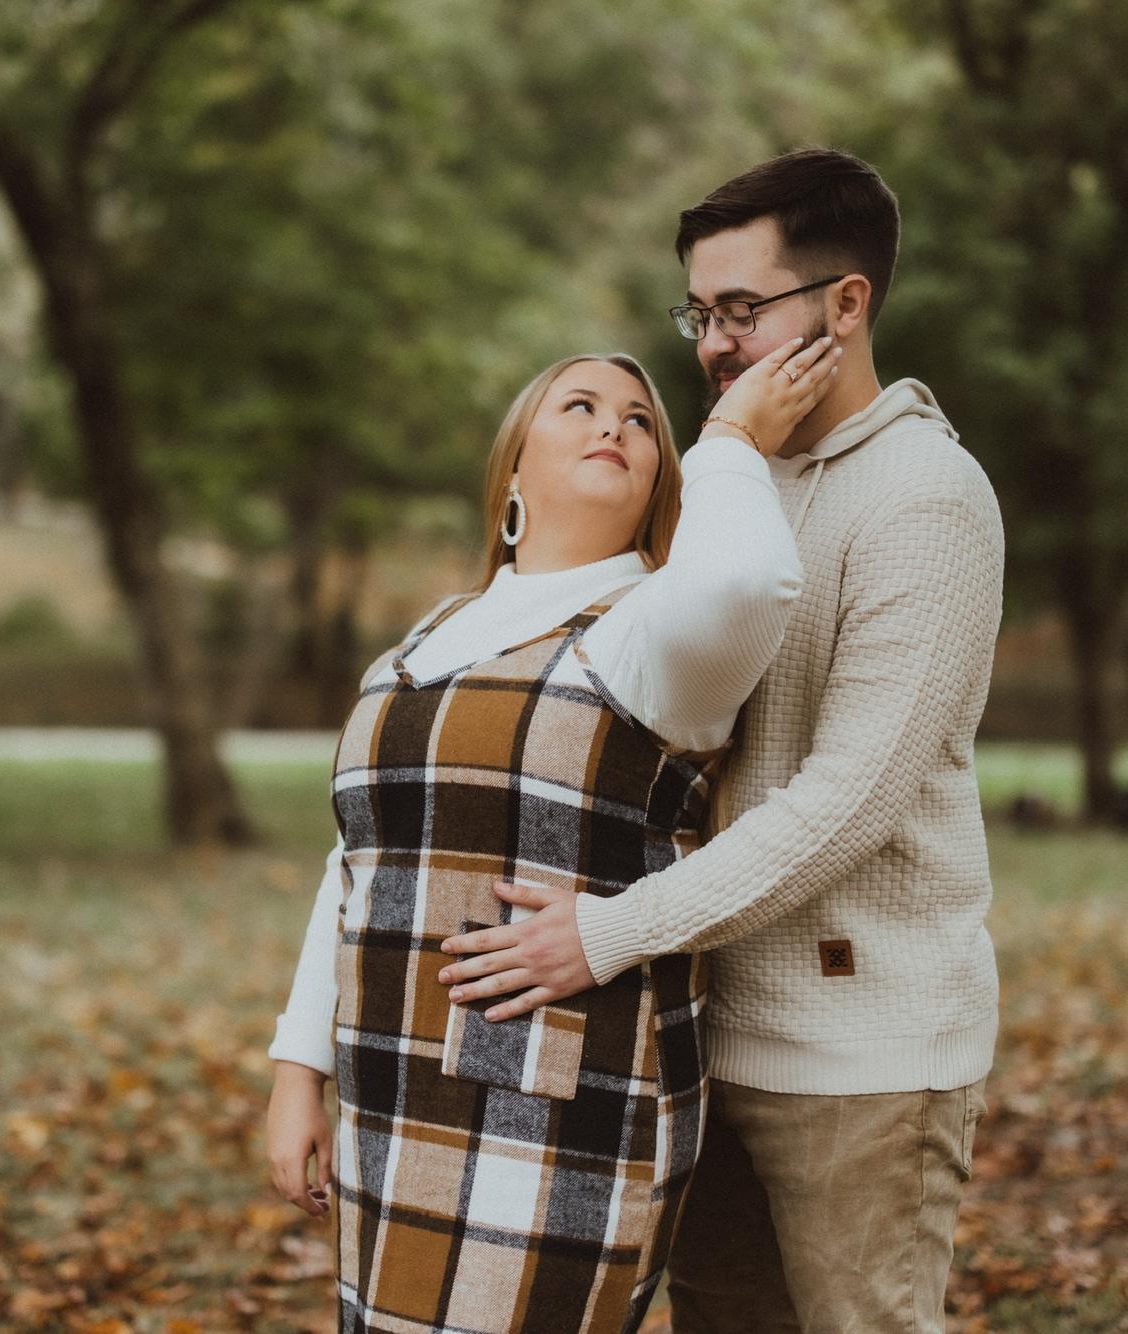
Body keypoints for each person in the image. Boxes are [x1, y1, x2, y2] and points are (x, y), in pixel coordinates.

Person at [438, 149, 1005, 1334]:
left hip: (861, 1054)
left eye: (741, 309)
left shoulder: (925, 496)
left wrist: (604, 932)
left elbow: (847, 801)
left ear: (845, 303)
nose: (711, 344)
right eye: (697, 313)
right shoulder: (726, 483)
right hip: (694, 1029)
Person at [266, 340, 839, 1331]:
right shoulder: (420, 641)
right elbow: (354, 862)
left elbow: (749, 583)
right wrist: (295, 1070)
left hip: (561, 1107)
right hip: (388, 1088)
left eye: (639, 421)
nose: (614, 424)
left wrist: (731, 437)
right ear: (512, 469)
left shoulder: (654, 632)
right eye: (579, 404)